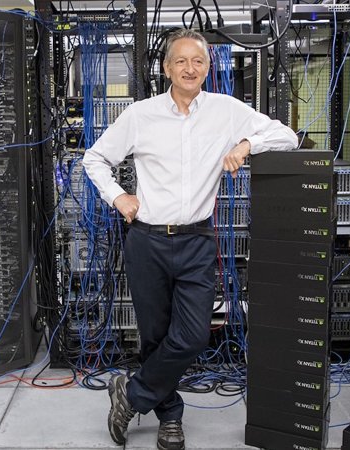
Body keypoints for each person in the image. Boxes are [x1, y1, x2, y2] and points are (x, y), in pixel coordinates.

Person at [81, 29, 298, 450]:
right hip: (146, 241)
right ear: (166, 68)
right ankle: (170, 417)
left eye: (197, 61)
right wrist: (119, 196)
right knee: (156, 337)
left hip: (196, 239)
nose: (189, 68)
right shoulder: (141, 115)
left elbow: (286, 136)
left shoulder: (226, 111)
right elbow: (95, 158)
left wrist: (248, 144)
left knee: (195, 334)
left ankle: (132, 393)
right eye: (180, 61)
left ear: (208, 67)